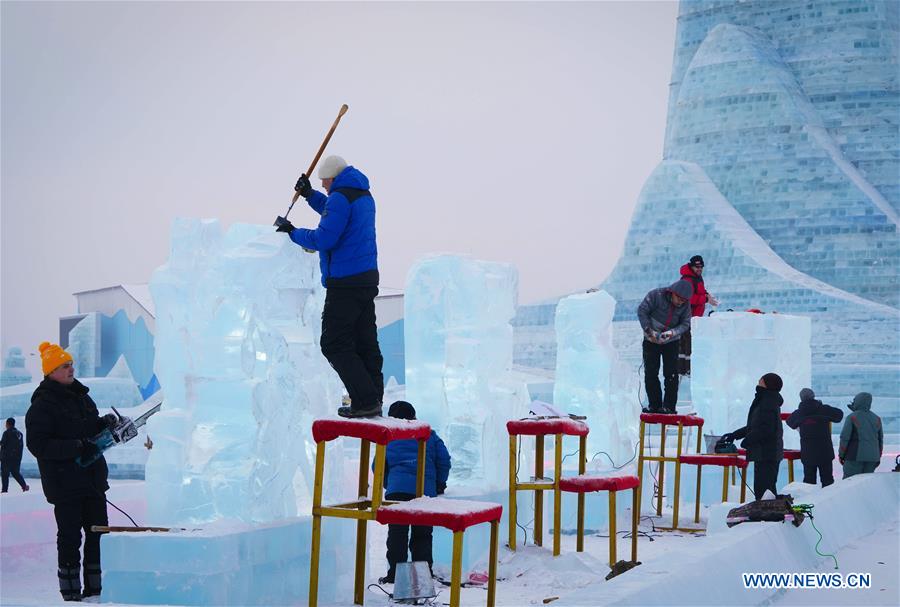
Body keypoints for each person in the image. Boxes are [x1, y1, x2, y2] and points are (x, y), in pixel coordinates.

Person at [277, 155, 384, 418]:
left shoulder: (340, 197)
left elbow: (324, 238)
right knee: (365, 342)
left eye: (324, 181)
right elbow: (333, 211)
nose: (323, 186)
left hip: (344, 283)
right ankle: (373, 399)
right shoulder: (361, 194)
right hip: (366, 279)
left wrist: (292, 232)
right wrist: (309, 195)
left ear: (334, 178)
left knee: (334, 343)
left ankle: (364, 400)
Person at [25, 342, 117, 601]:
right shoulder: (42, 406)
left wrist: (105, 424)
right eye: (65, 366)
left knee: (98, 534)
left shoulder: (82, 397)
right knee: (70, 538)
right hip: (65, 484)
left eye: (71, 364)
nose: (71, 369)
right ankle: (71, 594)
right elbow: (38, 445)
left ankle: (96, 590)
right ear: (51, 372)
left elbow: (90, 429)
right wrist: (75, 447)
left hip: (93, 481)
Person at [377, 400, 451, 584]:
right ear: (414, 415)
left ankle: (395, 575)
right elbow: (444, 460)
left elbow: (377, 466)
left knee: (397, 534)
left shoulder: (388, 436)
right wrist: (439, 484)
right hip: (424, 492)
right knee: (422, 534)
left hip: (397, 492)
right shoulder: (429, 434)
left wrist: (390, 484)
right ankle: (423, 575)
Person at [721, 373, 784, 500]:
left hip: (766, 453)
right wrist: (735, 435)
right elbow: (755, 426)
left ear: (767, 384)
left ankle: (767, 512)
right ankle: (767, 511)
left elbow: (766, 428)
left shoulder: (767, 401)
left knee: (764, 493)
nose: (758, 382)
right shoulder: (765, 400)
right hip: (765, 452)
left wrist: (748, 440)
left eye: (761, 381)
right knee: (766, 491)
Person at [637, 280, 693, 414]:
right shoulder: (655, 295)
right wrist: (649, 331)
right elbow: (642, 311)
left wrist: (672, 333)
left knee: (671, 374)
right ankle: (654, 405)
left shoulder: (685, 306)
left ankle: (669, 407)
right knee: (651, 373)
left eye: (684, 301)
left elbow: (685, 323)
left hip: (671, 341)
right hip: (651, 339)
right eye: (679, 298)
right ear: (672, 293)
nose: (680, 302)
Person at [785, 388, 843, 487]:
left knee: (809, 483)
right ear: (813, 396)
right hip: (825, 451)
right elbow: (839, 415)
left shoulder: (799, 413)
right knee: (828, 481)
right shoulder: (823, 409)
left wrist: (801, 426)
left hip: (808, 453)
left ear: (801, 398)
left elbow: (789, 421)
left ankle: (810, 497)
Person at [677, 255, 718, 375]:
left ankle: (685, 370)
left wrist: (707, 295)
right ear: (691, 267)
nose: (699, 269)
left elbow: (699, 291)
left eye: (701, 267)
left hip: (694, 317)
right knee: (687, 343)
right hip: (686, 317)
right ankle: (686, 370)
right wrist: (705, 299)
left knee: (688, 343)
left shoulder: (697, 278)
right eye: (697, 267)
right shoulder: (687, 280)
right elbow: (688, 298)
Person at [838, 392, 883, 479]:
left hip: (854, 457)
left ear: (857, 402)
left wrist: (841, 455)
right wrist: (878, 455)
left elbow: (845, 438)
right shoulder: (876, 418)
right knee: (866, 482)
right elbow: (880, 439)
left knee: (849, 482)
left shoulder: (852, 417)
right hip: (873, 458)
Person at [1, 417, 29, 493]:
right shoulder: (19, 434)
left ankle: (4, 490)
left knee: (5, 474)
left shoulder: (7, 433)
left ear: (7, 424)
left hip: (7, 458)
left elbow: (3, 443)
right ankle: (24, 486)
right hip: (17, 458)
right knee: (15, 472)